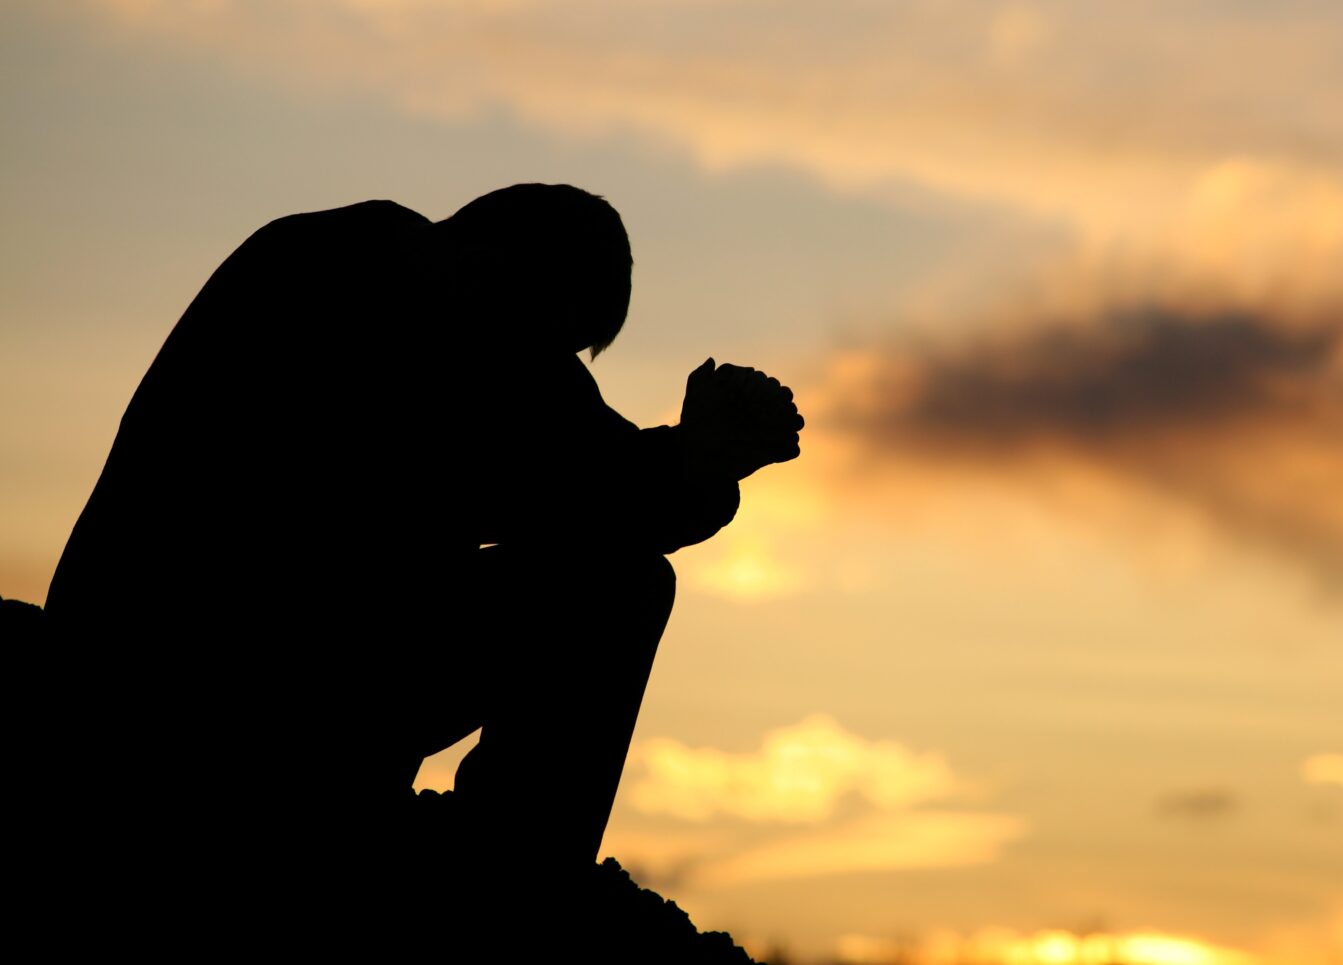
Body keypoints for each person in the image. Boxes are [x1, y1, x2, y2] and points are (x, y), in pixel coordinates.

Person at [41, 183, 802, 939]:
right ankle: (506, 897)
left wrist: (687, 466)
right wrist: (698, 458)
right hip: (228, 705)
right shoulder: (426, 286)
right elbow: (588, 480)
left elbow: (560, 471)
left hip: (141, 663)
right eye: (564, 340)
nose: (560, 367)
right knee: (618, 587)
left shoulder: (338, 257)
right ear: (541, 280)